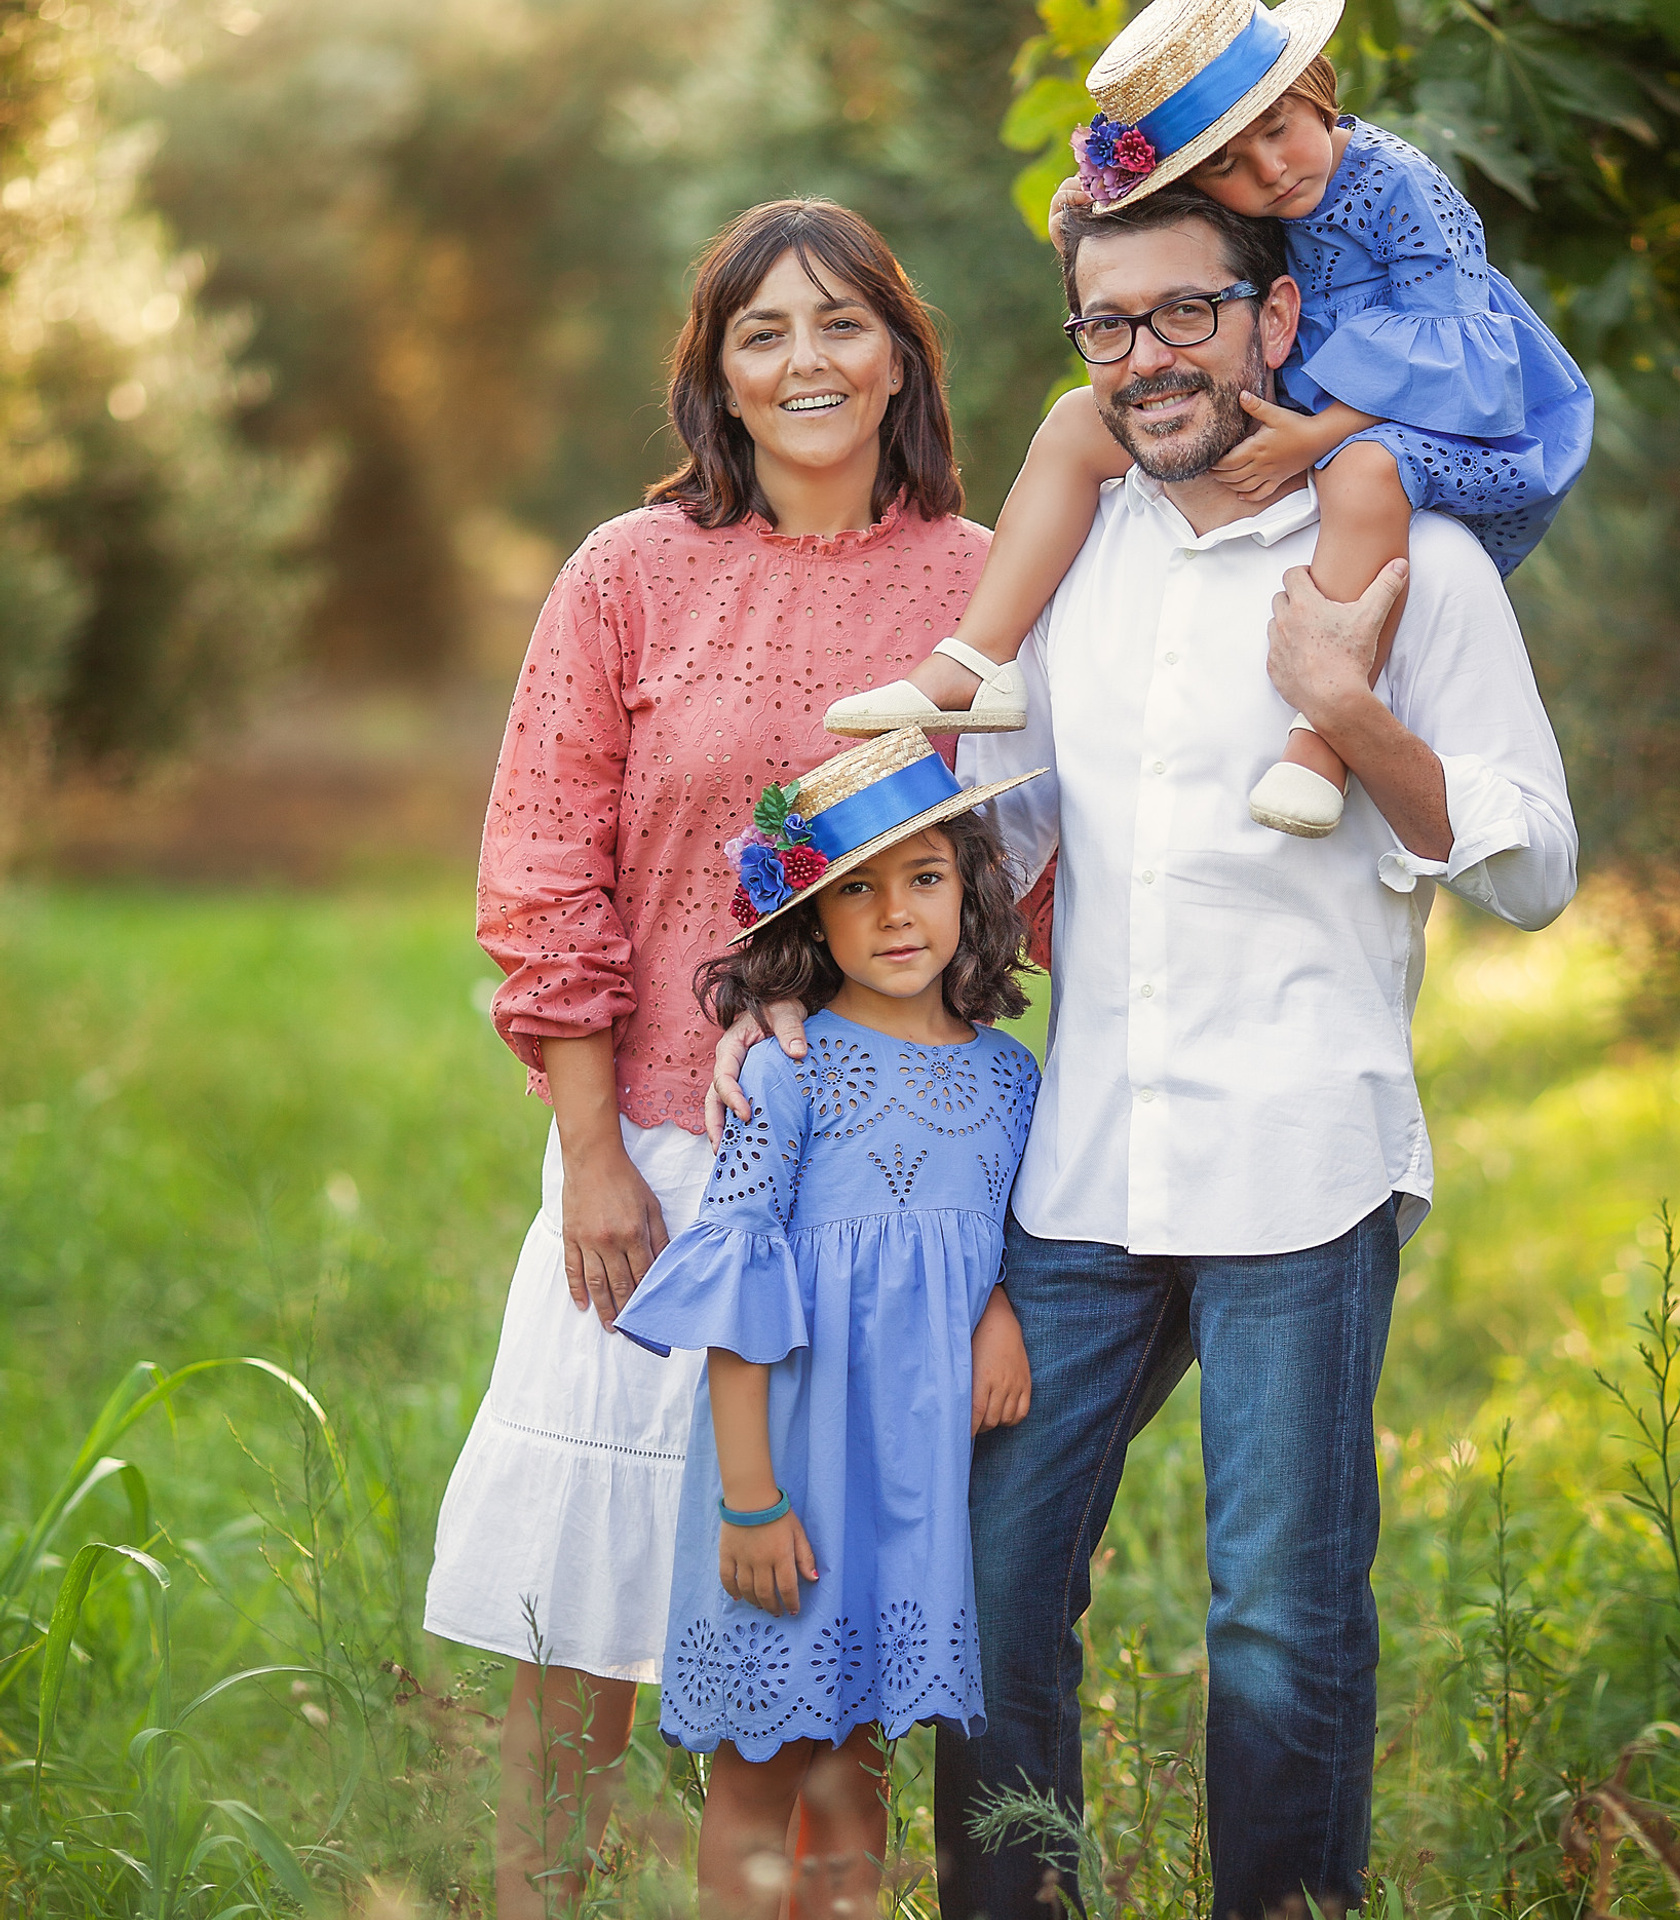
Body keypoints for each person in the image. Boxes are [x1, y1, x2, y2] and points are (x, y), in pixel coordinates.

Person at [709, 182, 1578, 1916]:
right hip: (1084, 1167)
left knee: (1280, 1606)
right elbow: (969, 857)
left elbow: (1538, 869)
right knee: (998, 1578)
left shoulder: (1418, 560)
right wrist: (783, 984)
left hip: (1302, 1164)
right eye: (1110, 325)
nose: (1149, 357)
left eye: (1187, 313)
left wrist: (1348, 714)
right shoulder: (1068, 568)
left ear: (1274, 319)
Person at [419, 198, 994, 1918]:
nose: (806, 361)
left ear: (900, 353)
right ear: (717, 377)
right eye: (765, 333)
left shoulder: (978, 587)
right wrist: (593, 1151)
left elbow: (1018, 876)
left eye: (840, 325)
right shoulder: (630, 572)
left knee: (831, 1605)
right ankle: (547, 1901)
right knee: (578, 1601)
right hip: (655, 1154)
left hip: (881, 1171)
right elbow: (541, 874)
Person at [821, 0, 1591, 844]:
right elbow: (1155, 267)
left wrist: (1316, 433)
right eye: (1226, 162)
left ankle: (1320, 740)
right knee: (1079, 421)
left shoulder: (1396, 185)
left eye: (1280, 129)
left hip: (1437, 407)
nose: (1268, 172)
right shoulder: (1249, 197)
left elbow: (1450, 348)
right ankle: (977, 659)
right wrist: (1086, 211)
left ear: (1312, 90)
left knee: (1364, 473)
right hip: (1312, 384)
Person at [612, 726, 1043, 1919]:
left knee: (860, 1772)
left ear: (971, 889)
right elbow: (740, 1296)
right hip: (792, 1476)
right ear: (808, 919)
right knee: (762, 1770)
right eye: (854, 890)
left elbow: (996, 1235)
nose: (897, 915)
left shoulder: (1013, 1082)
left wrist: (998, 1300)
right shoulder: (791, 1071)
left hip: (915, 1493)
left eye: (923, 879)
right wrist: (749, 1499)